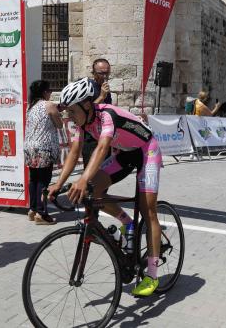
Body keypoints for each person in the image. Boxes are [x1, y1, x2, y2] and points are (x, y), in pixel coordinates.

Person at [48, 78, 164, 297]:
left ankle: (152, 275)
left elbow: (102, 148)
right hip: (124, 154)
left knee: (148, 211)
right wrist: (58, 183)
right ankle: (127, 223)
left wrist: (82, 179)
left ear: (86, 105)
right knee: (94, 190)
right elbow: (74, 152)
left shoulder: (107, 115)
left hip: (147, 151)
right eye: (68, 113)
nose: (70, 117)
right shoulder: (83, 124)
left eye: (72, 111)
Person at [23, 80, 62, 225]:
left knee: (33, 179)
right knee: (44, 181)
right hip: (44, 148)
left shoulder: (31, 107)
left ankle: (32, 209)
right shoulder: (49, 105)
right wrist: (59, 114)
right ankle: (41, 213)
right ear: (45, 92)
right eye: (49, 90)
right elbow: (59, 124)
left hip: (29, 146)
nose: (51, 93)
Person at [82, 58, 113, 167]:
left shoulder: (105, 88)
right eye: (101, 73)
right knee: (90, 177)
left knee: (104, 175)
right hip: (91, 140)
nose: (105, 76)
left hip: (104, 138)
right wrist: (101, 96)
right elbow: (84, 112)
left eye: (107, 73)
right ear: (94, 73)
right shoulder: (87, 87)